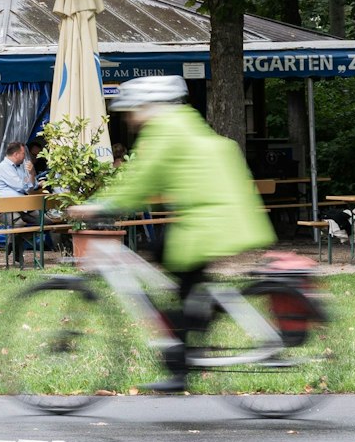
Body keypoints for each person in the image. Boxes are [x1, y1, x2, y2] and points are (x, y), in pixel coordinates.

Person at [69, 75, 274, 393]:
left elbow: (141, 181)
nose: (130, 118)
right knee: (173, 271)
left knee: (168, 263)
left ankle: (183, 354)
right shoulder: (185, 124)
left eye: (133, 110)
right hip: (219, 219)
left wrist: (99, 206)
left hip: (209, 224)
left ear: (149, 105)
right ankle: (188, 339)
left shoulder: (166, 130)